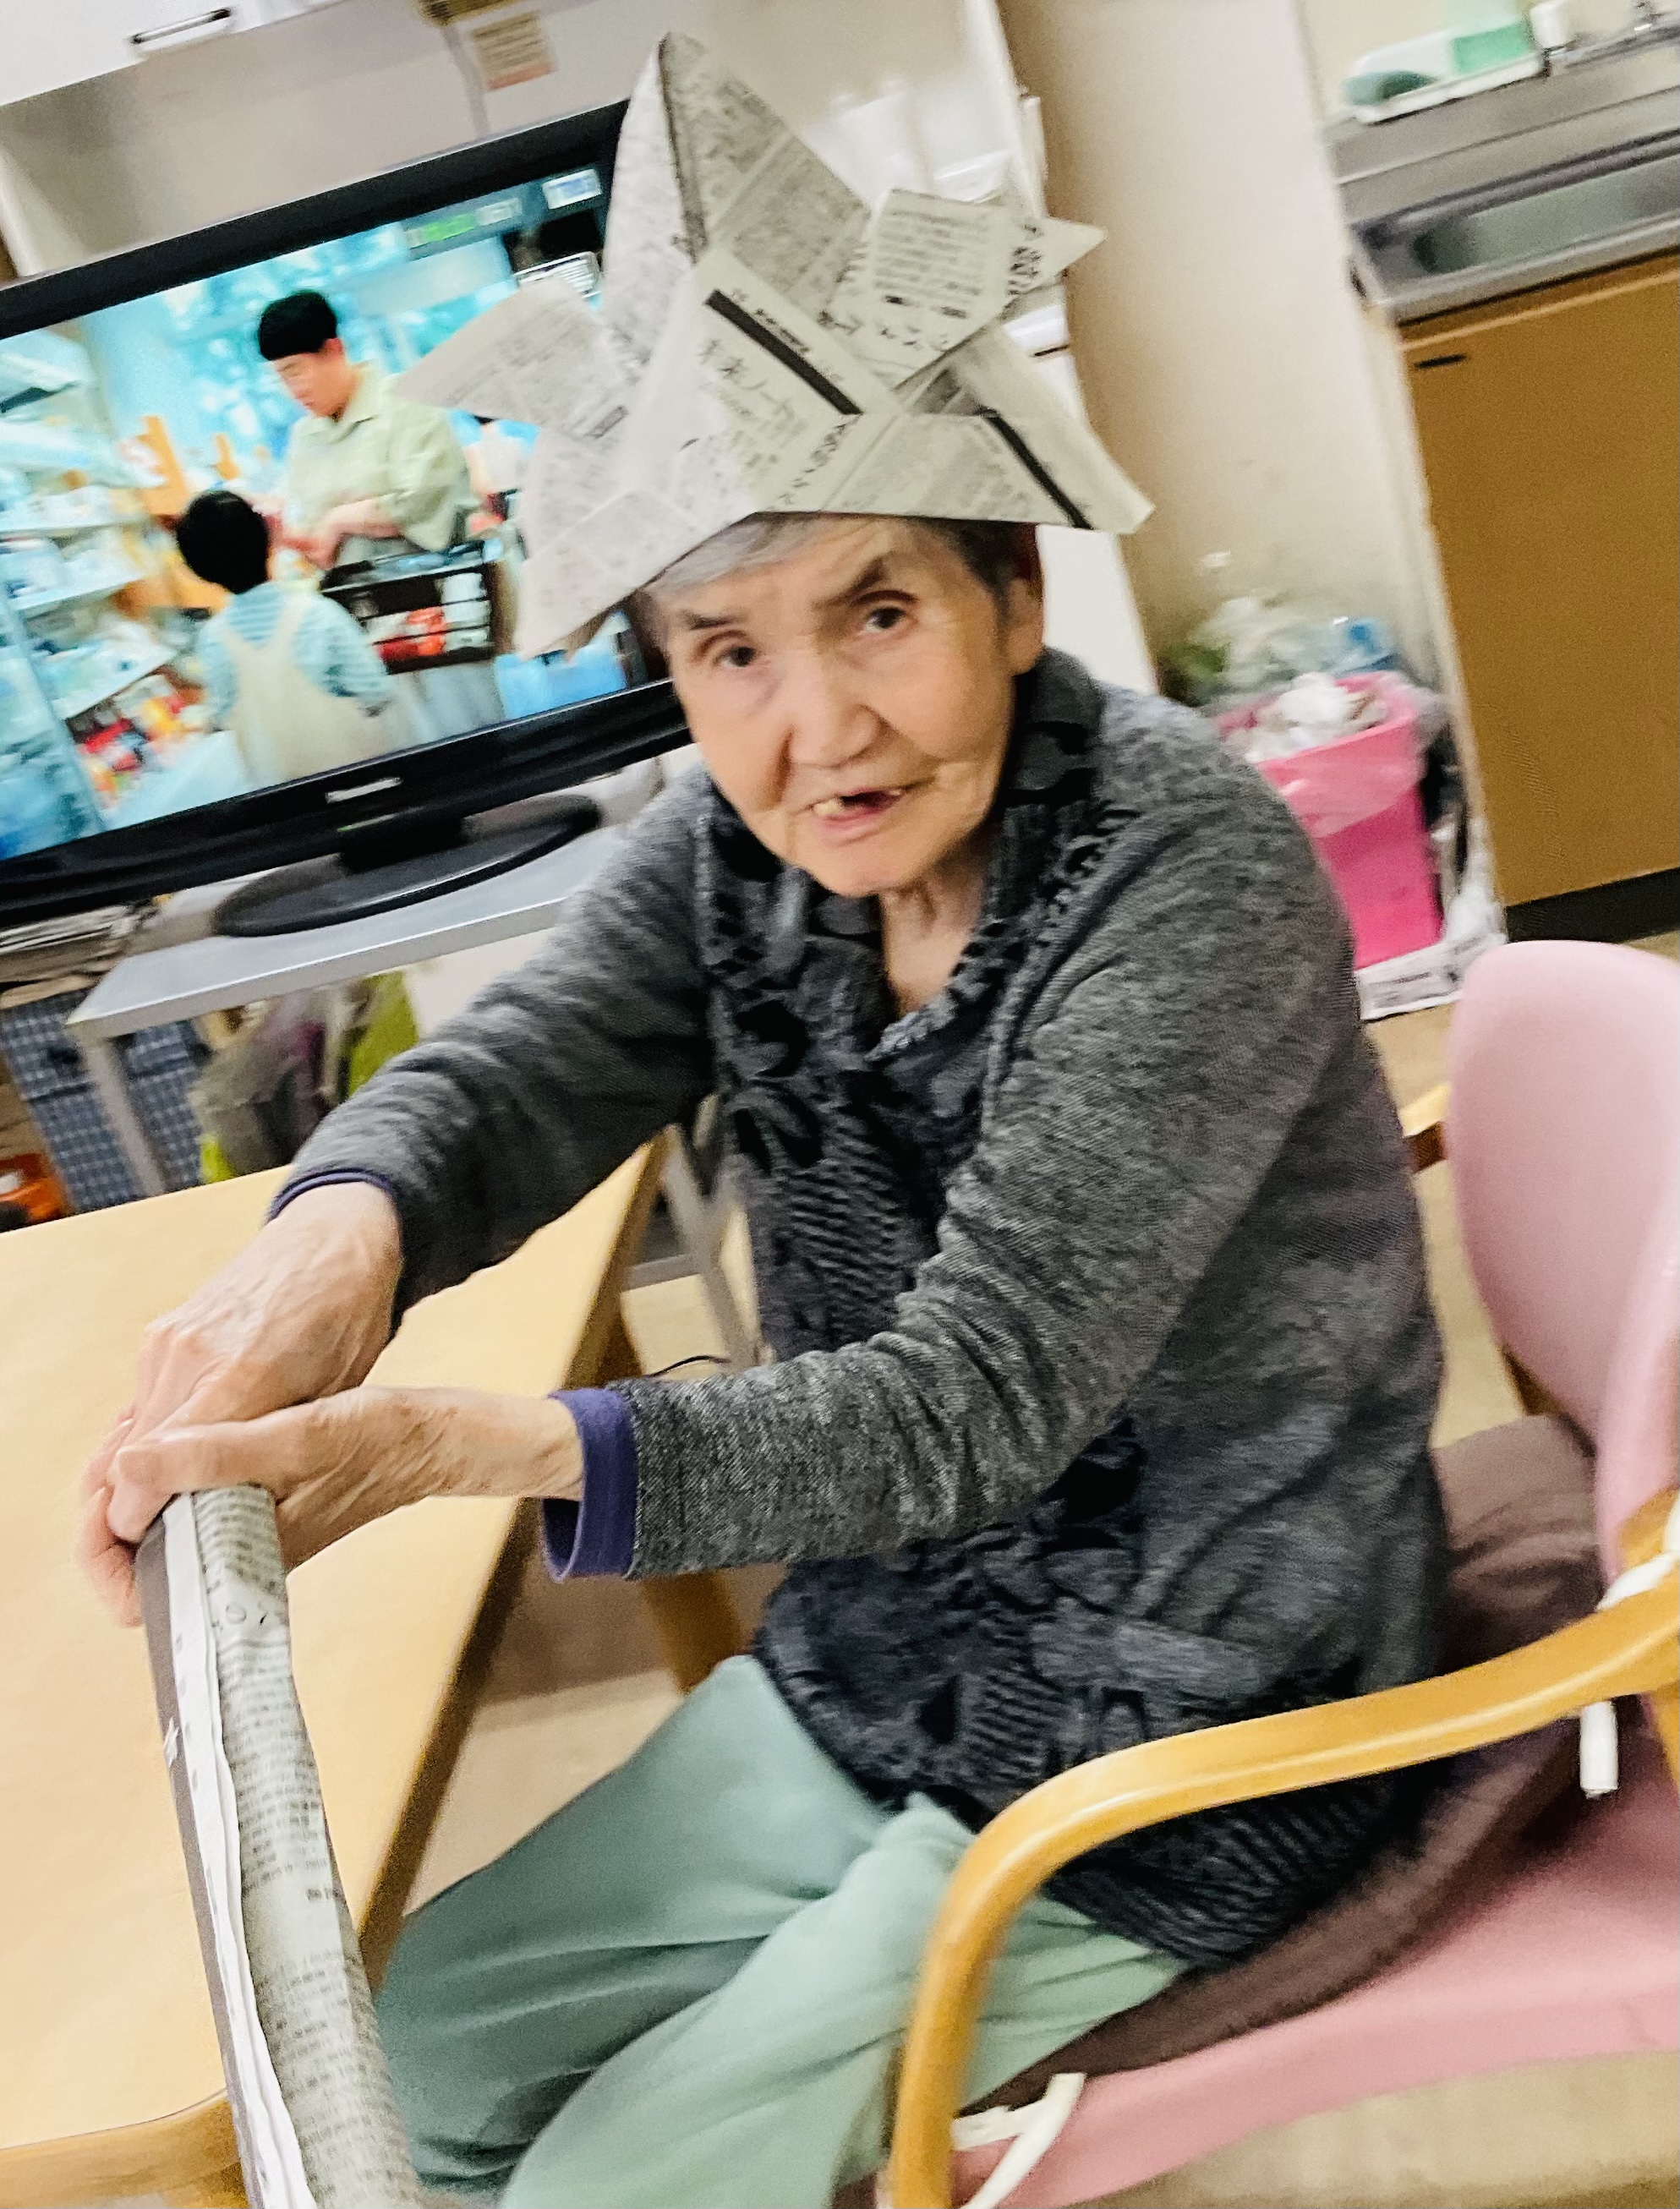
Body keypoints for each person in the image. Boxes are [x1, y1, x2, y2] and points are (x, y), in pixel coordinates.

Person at [80, 506, 1445, 2209]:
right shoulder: (740, 845)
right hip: (879, 1664)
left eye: (879, 615)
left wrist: (455, 1445)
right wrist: (330, 1241)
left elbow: (969, 1401)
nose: (819, 727)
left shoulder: (1181, 876)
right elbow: (518, 1070)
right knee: (394, 2072)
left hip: (1194, 1722)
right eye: (731, 649)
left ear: (1015, 597)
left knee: (604, 2191)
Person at [257, 289, 504, 744]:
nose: (294, 390)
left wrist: (340, 518)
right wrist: (282, 535)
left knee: (472, 730)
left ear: (334, 349)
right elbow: (321, 551)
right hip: (367, 625)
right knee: (406, 745)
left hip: (439, 608)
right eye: (280, 378)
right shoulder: (303, 439)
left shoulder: (405, 400)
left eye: (296, 370)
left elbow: (420, 502)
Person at [174, 488, 394, 790]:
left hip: (284, 803)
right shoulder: (318, 614)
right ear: (267, 540)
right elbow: (376, 692)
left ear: (201, 571)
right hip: (362, 787)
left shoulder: (213, 641)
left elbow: (224, 716)